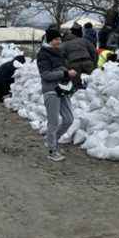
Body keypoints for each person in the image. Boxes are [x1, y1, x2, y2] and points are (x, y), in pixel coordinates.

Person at [37, 28, 77, 162]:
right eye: (55, 39)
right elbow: (46, 75)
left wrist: (69, 74)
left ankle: (51, 140)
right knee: (53, 122)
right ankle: (52, 150)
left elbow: (61, 69)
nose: (58, 41)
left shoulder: (59, 52)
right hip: (51, 90)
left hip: (63, 89)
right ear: (49, 40)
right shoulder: (43, 54)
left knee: (69, 119)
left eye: (59, 39)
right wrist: (65, 73)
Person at [60, 22, 97, 89]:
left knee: (77, 86)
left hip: (74, 64)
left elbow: (60, 58)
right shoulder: (84, 40)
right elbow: (94, 52)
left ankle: (79, 93)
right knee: (94, 82)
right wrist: (94, 64)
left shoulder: (64, 44)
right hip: (87, 62)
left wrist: (67, 68)